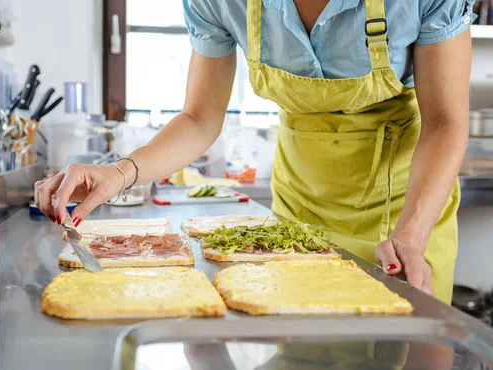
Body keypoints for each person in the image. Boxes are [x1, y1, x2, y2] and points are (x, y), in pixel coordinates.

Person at [35, 0, 475, 303]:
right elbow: (199, 118)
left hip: (406, 214)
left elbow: (445, 121)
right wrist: (121, 172)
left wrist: (410, 236)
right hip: (296, 216)